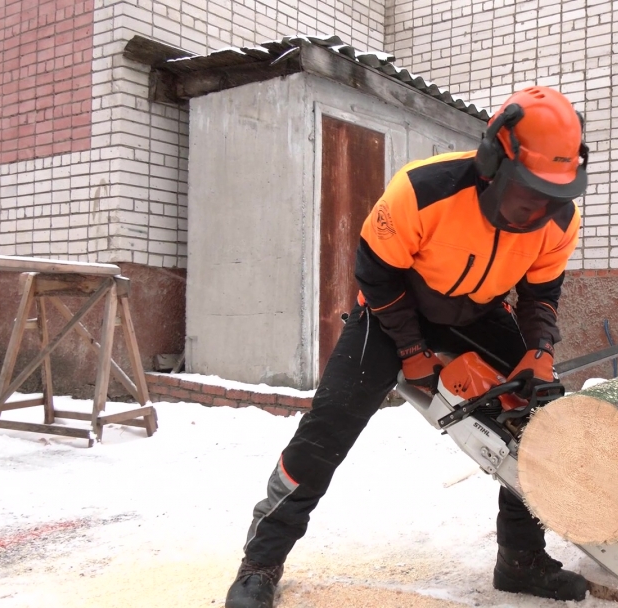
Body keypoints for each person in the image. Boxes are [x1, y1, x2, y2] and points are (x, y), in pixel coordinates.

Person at [225, 85, 590, 608]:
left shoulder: (558, 219)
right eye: (525, 193)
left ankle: (521, 560)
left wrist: (540, 351)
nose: (534, 213)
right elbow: (375, 273)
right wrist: (412, 351)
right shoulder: (422, 189)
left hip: (480, 313)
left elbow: (540, 292)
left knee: (538, 421)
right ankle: (259, 563)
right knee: (324, 432)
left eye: (550, 197)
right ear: (492, 162)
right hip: (392, 308)